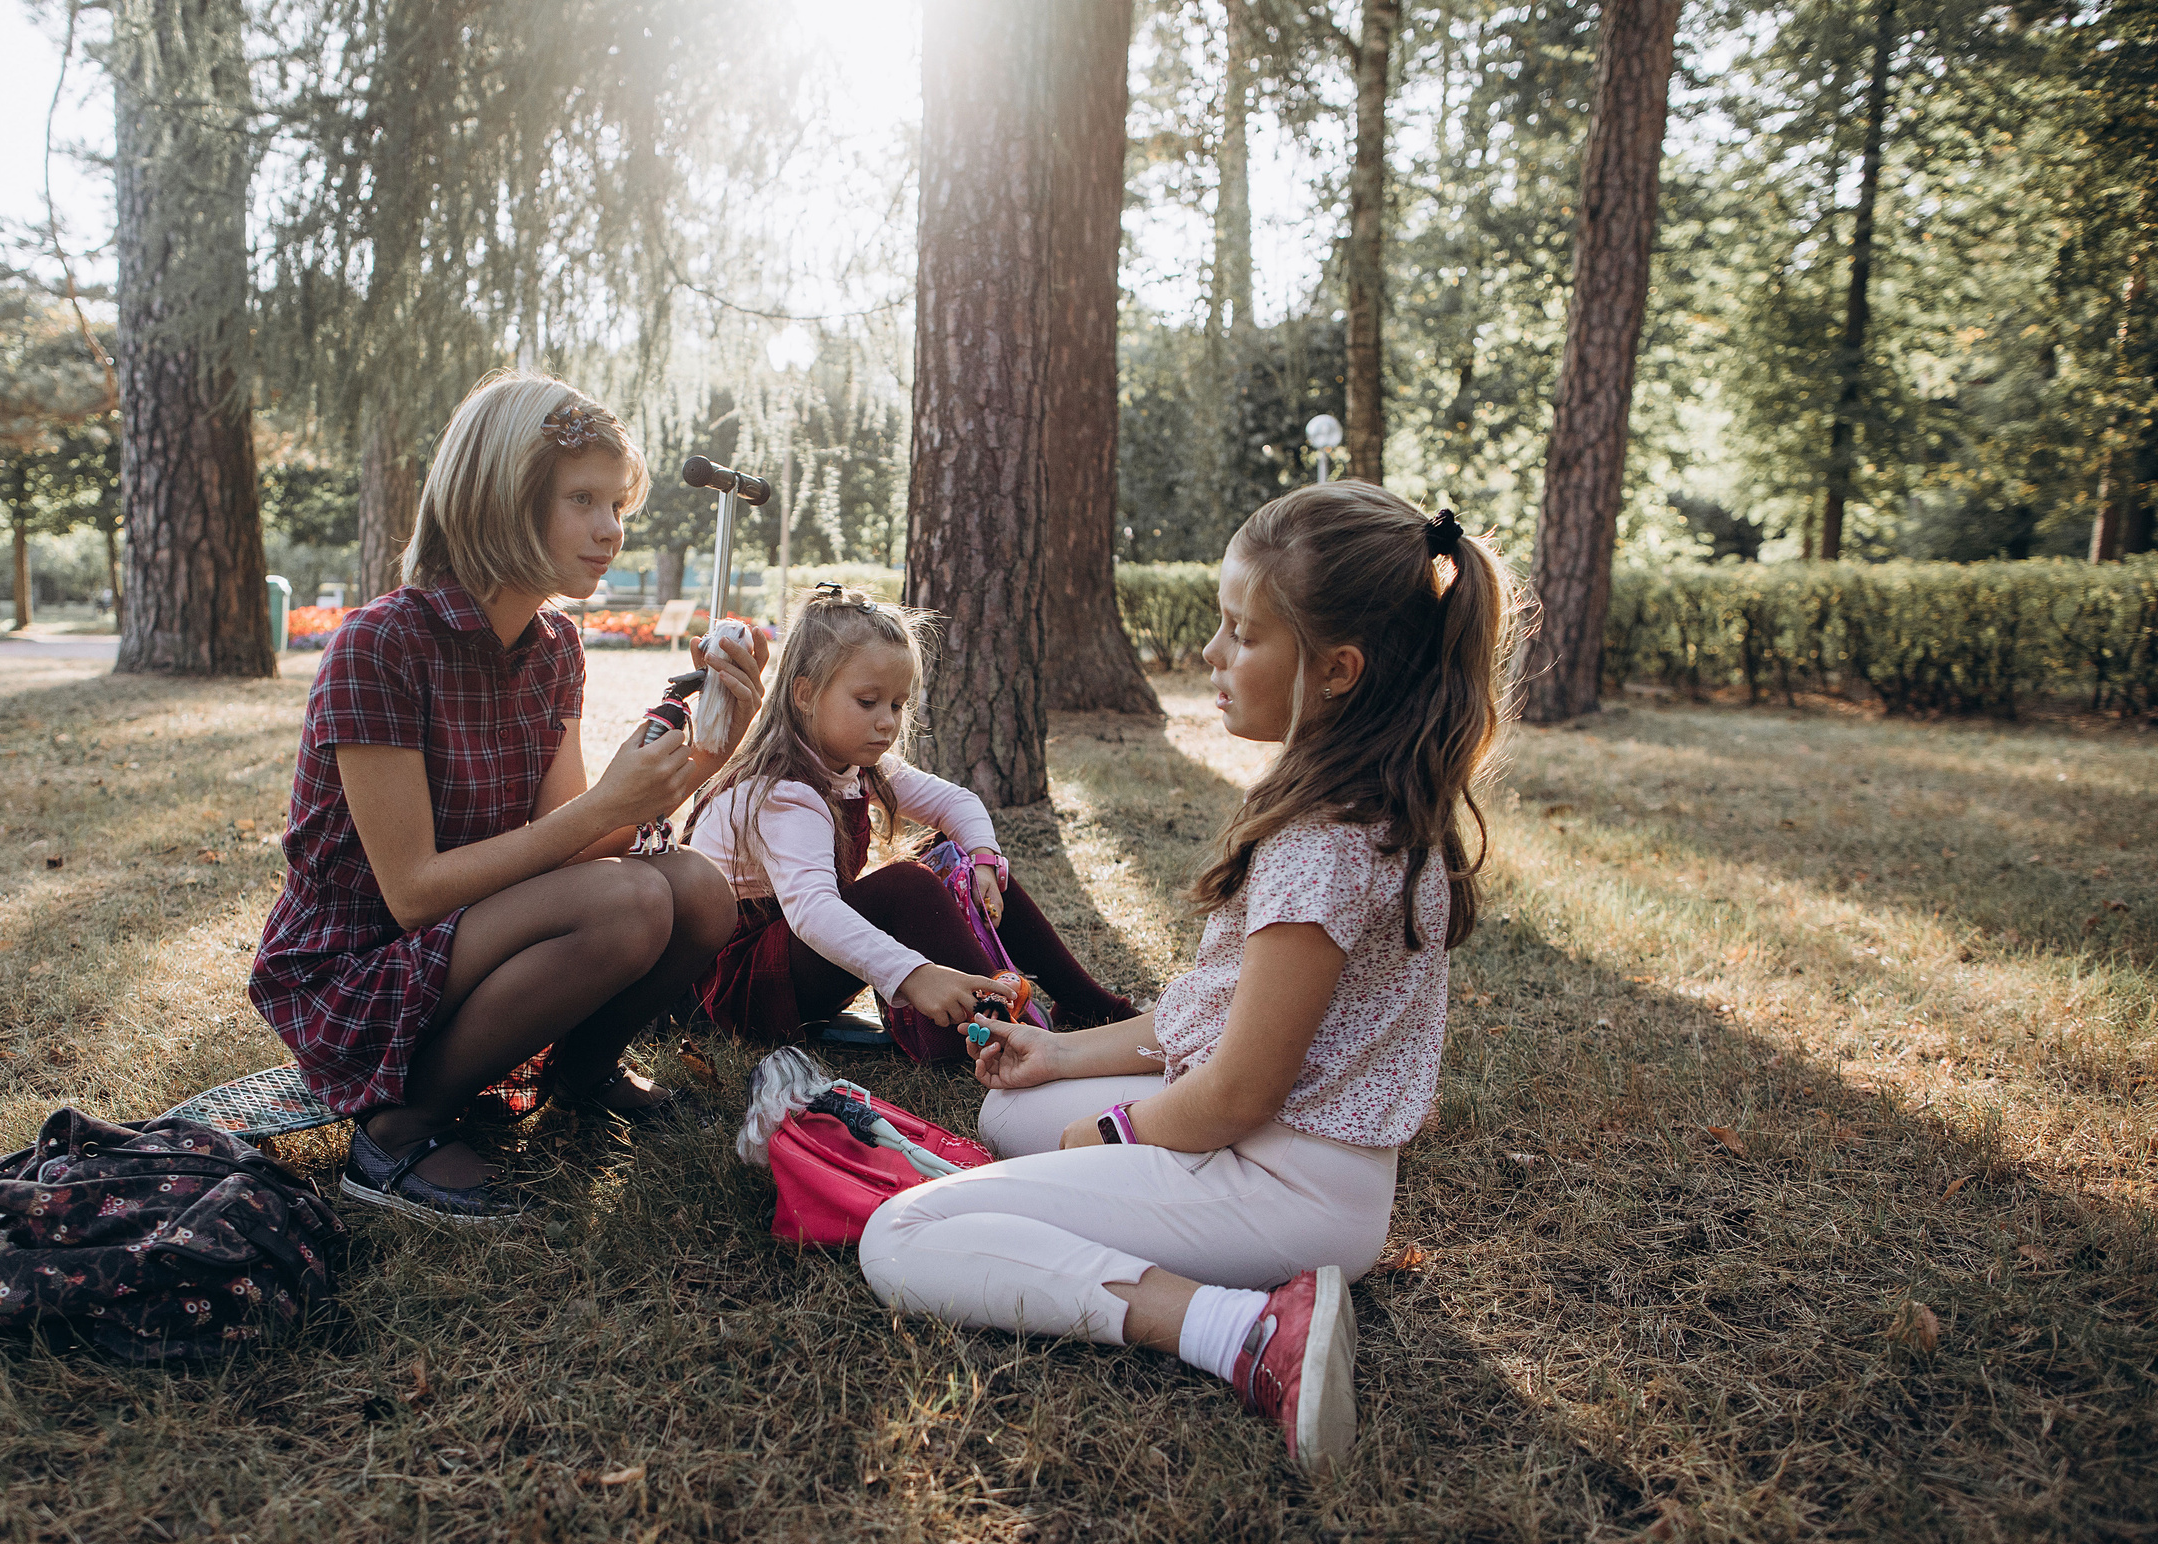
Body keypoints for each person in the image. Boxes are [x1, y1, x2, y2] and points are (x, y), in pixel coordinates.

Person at [858, 482, 1520, 1468]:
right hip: (1283, 1158)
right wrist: (1059, 1054)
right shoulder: (1363, 801)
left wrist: (1110, 1134)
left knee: (899, 1238)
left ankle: (1242, 1332)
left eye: (1242, 634)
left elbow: (1237, 1090)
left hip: (1282, 1185)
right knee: (1007, 1111)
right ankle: (1125, 1226)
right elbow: (1214, 1016)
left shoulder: (1323, 845)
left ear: (1337, 671)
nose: (1212, 653)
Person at [249, 372, 766, 1226]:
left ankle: (582, 1077)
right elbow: (412, 892)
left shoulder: (554, 644)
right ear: (502, 498)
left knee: (697, 888)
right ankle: (396, 1131)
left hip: (465, 934)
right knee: (631, 901)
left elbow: (578, 843)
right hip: (357, 967)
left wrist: (708, 752)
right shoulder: (380, 645)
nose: (611, 529)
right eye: (582, 500)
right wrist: (602, 808)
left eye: (616, 504)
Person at [684, 585, 1136, 1061]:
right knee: (905, 884)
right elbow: (813, 913)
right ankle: (999, 1036)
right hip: (742, 989)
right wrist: (915, 975)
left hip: (790, 959)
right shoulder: (783, 792)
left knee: (952, 858)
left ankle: (1088, 1005)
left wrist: (984, 863)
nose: (887, 722)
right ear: (805, 694)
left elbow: (956, 803)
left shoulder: (856, 765)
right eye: (868, 701)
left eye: (897, 705)